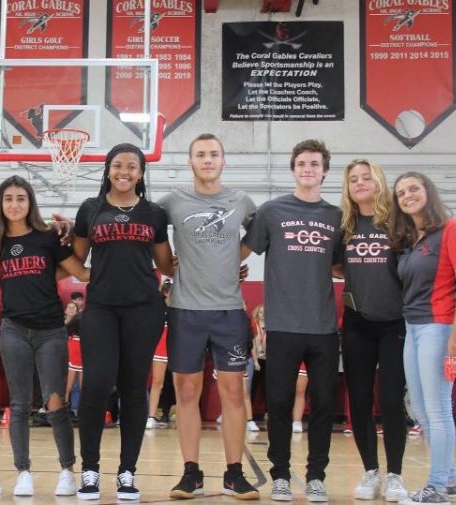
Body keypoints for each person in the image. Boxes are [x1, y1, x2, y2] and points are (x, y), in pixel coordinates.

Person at [156, 133, 258, 500]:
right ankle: (191, 473)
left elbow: (260, 232)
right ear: (190, 162)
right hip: (185, 310)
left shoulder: (240, 202)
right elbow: (148, 229)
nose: (208, 159)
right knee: (186, 391)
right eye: (201, 154)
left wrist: (237, 259)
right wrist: (166, 262)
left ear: (223, 160)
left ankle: (234, 474)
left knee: (233, 392)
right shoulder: (173, 202)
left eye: (214, 154)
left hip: (229, 312)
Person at [72, 143, 174, 501]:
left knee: (133, 388)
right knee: (97, 384)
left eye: (133, 165)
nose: (125, 171)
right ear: (108, 169)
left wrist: (217, 266)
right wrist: (80, 268)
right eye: (118, 165)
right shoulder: (90, 209)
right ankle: (89, 470)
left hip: (144, 310)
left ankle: (127, 472)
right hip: (100, 308)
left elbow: (165, 264)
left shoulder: (154, 214)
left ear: (142, 173)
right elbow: (77, 259)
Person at [243, 139, 342, 502]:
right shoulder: (272, 211)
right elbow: (240, 250)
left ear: (324, 171)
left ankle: (316, 475)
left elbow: (343, 266)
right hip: (282, 326)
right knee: (280, 403)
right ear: (293, 169)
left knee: (323, 403)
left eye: (315, 164)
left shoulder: (336, 217)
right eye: (302, 163)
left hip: (324, 328)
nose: (308, 169)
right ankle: (280, 475)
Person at [0, 175, 89, 496]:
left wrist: (125, 269)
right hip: (13, 329)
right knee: (18, 404)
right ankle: (23, 471)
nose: (15, 204)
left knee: (55, 402)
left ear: (31, 203)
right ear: (1, 205)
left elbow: (81, 271)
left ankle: (68, 470)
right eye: (9, 198)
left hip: (50, 331)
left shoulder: (46, 238)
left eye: (21, 198)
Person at [389, 171, 456, 505]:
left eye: (413, 189)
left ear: (428, 192)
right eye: (401, 193)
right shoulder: (412, 240)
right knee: (421, 410)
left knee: (438, 411)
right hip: (413, 328)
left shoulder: (451, 229)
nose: (408, 195)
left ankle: (436, 488)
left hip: (438, 328)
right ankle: (449, 481)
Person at [339, 159, 409, 501]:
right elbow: (337, 267)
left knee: (392, 400)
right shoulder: (345, 227)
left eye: (367, 177)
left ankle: (395, 474)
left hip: (395, 324)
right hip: (356, 324)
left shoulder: (398, 224)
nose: (360, 183)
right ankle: (371, 472)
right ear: (348, 188)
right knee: (361, 400)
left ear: (379, 182)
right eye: (354, 179)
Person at [146, 279, 172, 430]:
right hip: (161, 346)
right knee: (157, 382)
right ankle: (151, 416)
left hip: (177, 346)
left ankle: (179, 415)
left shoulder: (179, 309)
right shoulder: (158, 307)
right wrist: (162, 279)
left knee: (179, 384)